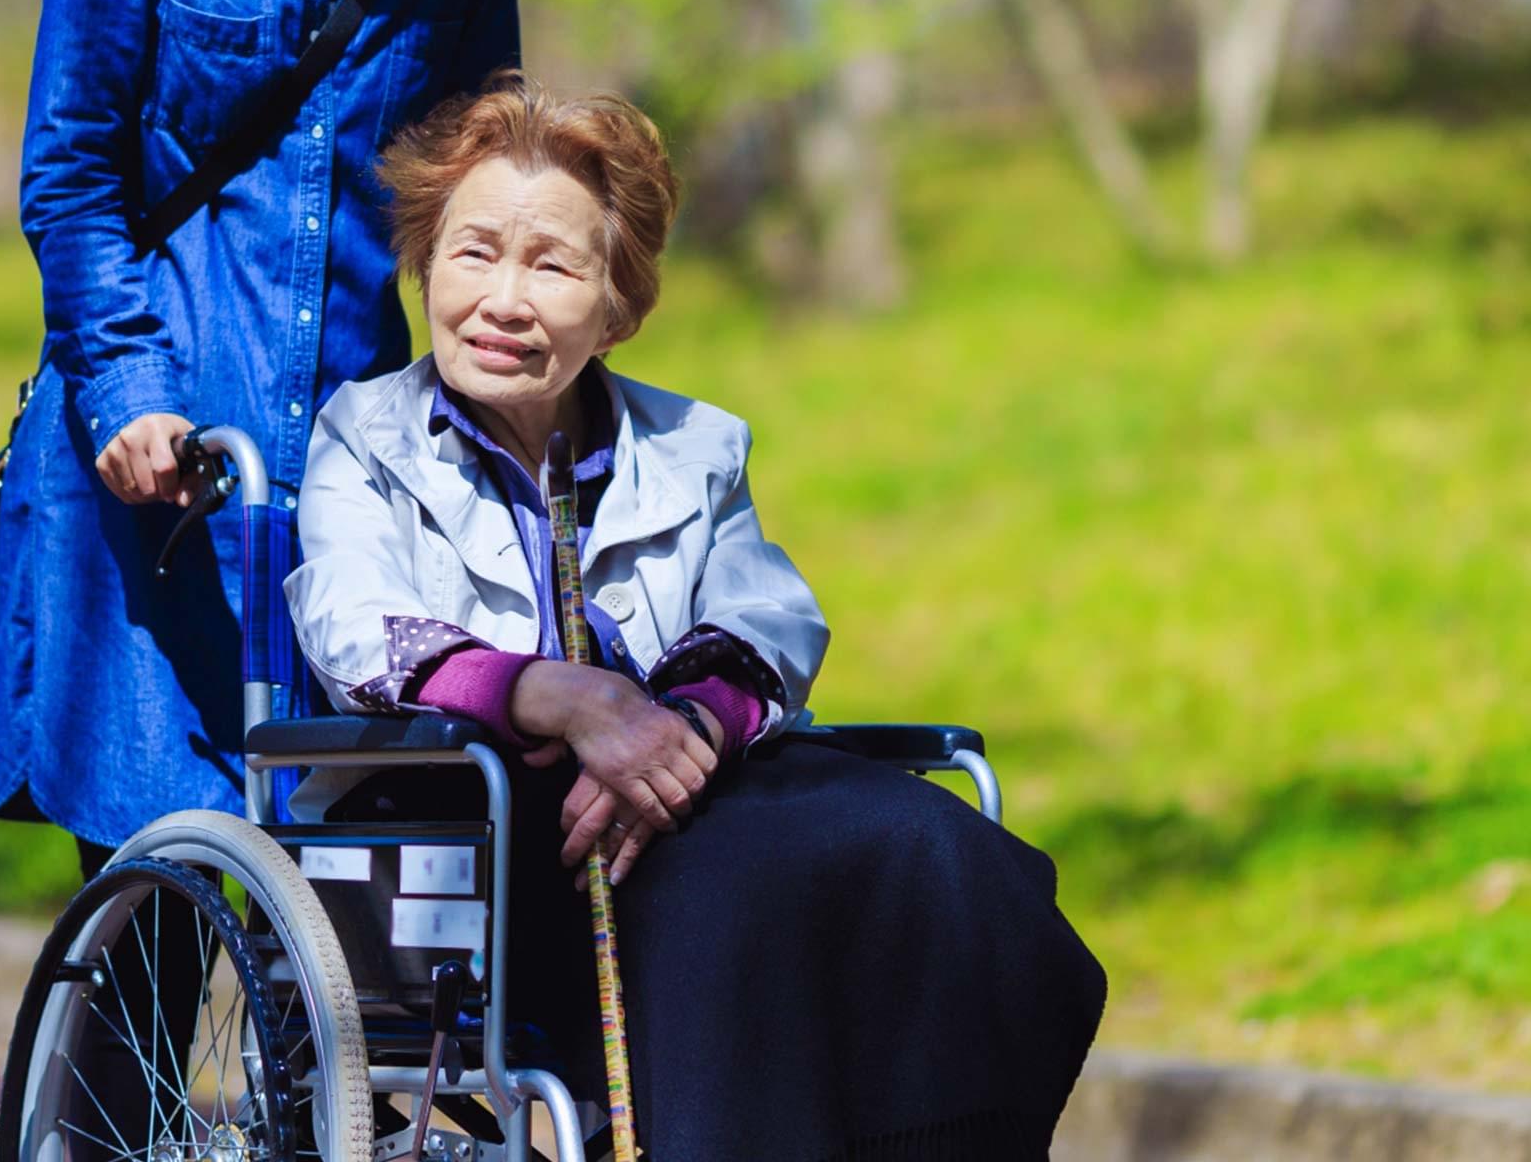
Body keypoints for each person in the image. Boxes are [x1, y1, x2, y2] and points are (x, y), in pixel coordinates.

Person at [287, 72, 1106, 1157]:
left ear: (617, 304)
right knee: (734, 901)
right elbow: (353, 624)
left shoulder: (694, 445)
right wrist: (561, 697)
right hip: (478, 828)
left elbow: (770, 616)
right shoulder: (362, 437)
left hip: (687, 789)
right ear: (425, 264)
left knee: (939, 853)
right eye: (475, 251)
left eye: (553, 264)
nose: (504, 299)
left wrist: (687, 729)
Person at [0, 0, 520, 876]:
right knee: (154, 935)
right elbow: (70, 166)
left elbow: (484, 182)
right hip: (160, 487)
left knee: (361, 961)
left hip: (354, 504)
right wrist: (125, 390)